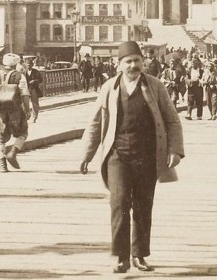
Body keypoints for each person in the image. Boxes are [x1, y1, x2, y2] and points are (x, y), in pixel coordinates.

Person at [79, 41, 185, 274]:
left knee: (143, 205)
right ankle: (120, 256)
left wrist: (175, 150)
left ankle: (139, 255)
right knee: (119, 202)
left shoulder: (155, 86)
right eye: (128, 62)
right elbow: (96, 122)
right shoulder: (109, 87)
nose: (134, 65)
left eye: (137, 60)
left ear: (143, 62)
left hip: (147, 155)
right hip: (118, 154)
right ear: (119, 65)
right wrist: (87, 154)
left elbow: (172, 120)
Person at [0, 53, 31, 173]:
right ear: (16, 64)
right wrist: (28, 109)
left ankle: (2, 165)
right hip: (14, 110)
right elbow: (24, 94)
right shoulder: (19, 76)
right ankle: (13, 153)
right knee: (23, 133)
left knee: (0, 138)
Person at [24, 59, 43, 123]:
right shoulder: (24, 72)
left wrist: (34, 81)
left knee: (34, 103)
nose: (28, 66)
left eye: (29, 65)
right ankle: (26, 116)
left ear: (32, 65)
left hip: (33, 89)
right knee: (25, 103)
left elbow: (40, 80)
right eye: (27, 65)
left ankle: (34, 117)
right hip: (26, 89)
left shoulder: (36, 72)